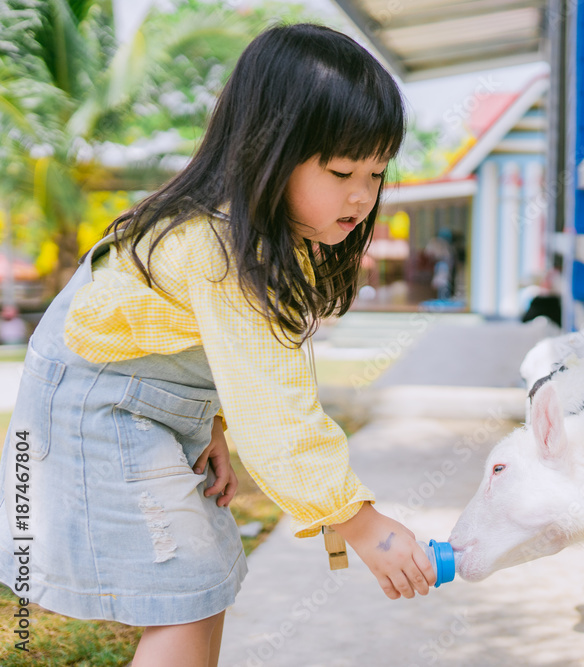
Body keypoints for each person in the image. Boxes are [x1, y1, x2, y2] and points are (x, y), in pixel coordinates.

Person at [0, 24, 436, 667]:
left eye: (375, 173)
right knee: (183, 587)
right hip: (98, 414)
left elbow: (232, 361)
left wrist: (211, 424)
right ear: (269, 151)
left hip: (137, 404)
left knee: (203, 579)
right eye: (342, 170)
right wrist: (359, 522)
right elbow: (278, 411)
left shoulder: (257, 239)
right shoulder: (221, 248)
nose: (362, 195)